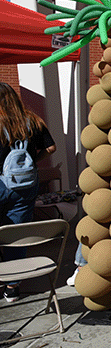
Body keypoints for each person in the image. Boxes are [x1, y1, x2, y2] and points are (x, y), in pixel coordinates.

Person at [0, 82, 56, 302]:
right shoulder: (32, 121)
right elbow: (51, 148)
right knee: (17, 234)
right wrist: (33, 161)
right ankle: (12, 286)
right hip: (27, 185)